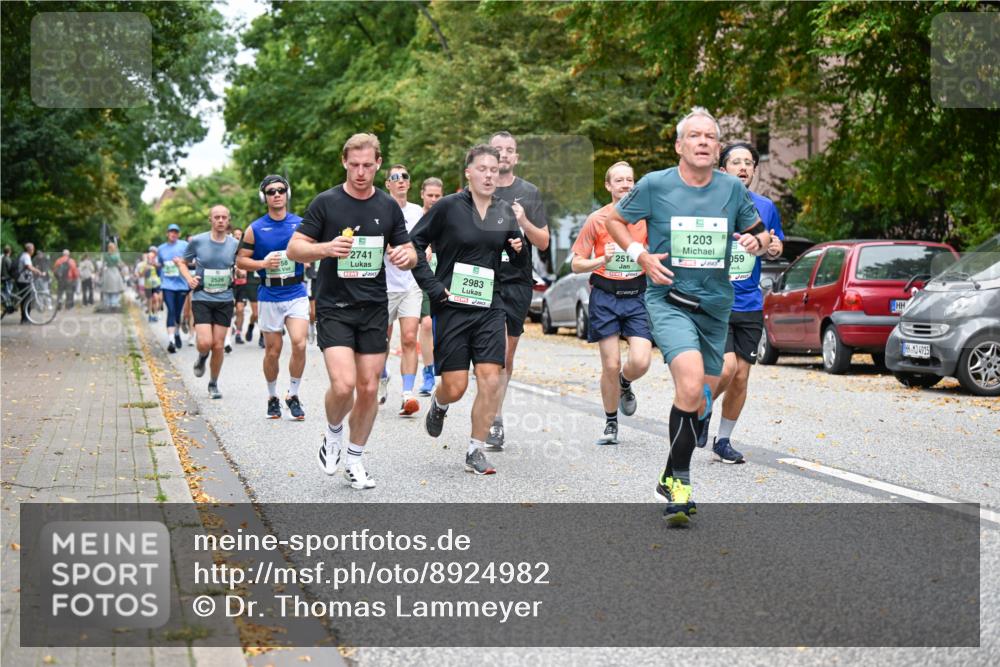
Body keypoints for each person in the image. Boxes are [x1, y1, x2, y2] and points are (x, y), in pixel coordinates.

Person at [604, 107, 771, 525]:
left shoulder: (732, 188)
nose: (702, 142)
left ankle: (667, 472)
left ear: (717, 148)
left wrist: (757, 241)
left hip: (717, 307)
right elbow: (615, 220)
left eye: (709, 138)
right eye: (693, 136)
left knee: (701, 396)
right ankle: (680, 484)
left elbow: (760, 233)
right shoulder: (654, 184)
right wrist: (639, 255)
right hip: (670, 300)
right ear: (679, 145)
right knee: (692, 383)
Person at [286, 133, 416, 489]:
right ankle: (332, 433)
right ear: (344, 162)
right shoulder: (326, 203)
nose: (360, 172)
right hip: (334, 306)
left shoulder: (388, 206)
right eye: (354, 164)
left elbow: (409, 250)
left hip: (374, 307)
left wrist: (407, 256)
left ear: (378, 164)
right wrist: (326, 248)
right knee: (343, 386)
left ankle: (356, 459)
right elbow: (294, 249)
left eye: (368, 165)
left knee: (370, 388)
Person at [411, 144, 526, 475]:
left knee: (491, 378)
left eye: (495, 170)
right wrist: (433, 288)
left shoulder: (503, 211)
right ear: (469, 173)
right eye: (483, 169)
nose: (490, 175)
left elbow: (517, 261)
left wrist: (517, 249)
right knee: (456, 385)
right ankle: (440, 401)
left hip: (491, 305)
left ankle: (475, 449)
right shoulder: (447, 208)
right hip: (452, 306)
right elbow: (415, 244)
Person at [694, 142, 786, 462]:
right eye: (736, 162)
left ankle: (723, 440)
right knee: (726, 367)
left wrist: (771, 247)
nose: (744, 167)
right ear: (723, 170)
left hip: (749, 302)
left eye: (749, 162)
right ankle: (701, 411)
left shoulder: (765, 206)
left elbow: (774, 247)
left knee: (742, 376)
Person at [570, 161, 652, 445]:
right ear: (608, 186)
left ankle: (625, 382)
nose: (626, 185)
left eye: (630, 180)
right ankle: (611, 422)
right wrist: (599, 260)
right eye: (619, 180)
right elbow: (576, 264)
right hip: (605, 296)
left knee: (641, 361)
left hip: (637, 295)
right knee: (610, 363)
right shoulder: (597, 219)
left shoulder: (645, 219)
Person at [486, 131, 550, 451]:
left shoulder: (529, 192)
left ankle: (494, 415)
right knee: (491, 354)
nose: (504, 155)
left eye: (509, 150)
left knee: (505, 356)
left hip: (517, 281)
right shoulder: (476, 191)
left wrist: (523, 222)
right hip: (484, 279)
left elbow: (543, 242)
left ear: (516, 157)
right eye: (498, 150)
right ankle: (493, 419)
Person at [236, 175, 310, 420]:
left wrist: (308, 256)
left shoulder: (301, 224)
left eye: (280, 190)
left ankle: (294, 394)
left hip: (296, 291)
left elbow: (312, 248)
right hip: (269, 294)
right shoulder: (255, 229)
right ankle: (272, 396)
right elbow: (240, 261)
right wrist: (262, 263)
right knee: (272, 351)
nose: (276, 194)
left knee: (299, 342)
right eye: (271, 191)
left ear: (287, 194)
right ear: (264, 197)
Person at [177, 205, 240, 399]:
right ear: (210, 220)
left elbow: (241, 263)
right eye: (217, 217)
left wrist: (239, 269)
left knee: (219, 345)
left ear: (228, 220)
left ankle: (213, 383)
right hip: (202, 296)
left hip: (224, 298)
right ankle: (202, 356)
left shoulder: (235, 244)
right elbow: (182, 262)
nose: (220, 220)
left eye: (224, 217)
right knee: (205, 342)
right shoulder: (197, 241)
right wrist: (189, 278)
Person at [378, 163, 426, 416]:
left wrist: (425, 251)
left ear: (409, 183)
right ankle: (382, 376)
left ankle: (408, 394)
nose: (400, 181)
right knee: (380, 340)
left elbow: (424, 239)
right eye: (394, 177)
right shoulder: (379, 207)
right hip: (384, 285)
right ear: (387, 184)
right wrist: (389, 249)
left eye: (404, 177)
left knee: (409, 338)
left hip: (410, 284)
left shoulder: (417, 211)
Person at [417, 177, 444, 396]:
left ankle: (441, 368)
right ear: (422, 195)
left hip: (442, 275)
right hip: (417, 278)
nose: (434, 199)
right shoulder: (415, 217)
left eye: (438, 196)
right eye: (430, 195)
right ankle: (428, 372)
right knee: (426, 324)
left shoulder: (448, 215)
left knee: (439, 326)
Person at [157, 224, 190, 353]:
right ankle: (171, 341)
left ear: (179, 234)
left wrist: (182, 263)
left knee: (177, 313)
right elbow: (160, 264)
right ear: (167, 233)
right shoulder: (161, 249)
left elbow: (191, 259)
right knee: (170, 310)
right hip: (167, 285)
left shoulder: (184, 245)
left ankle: (176, 333)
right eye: (171, 232)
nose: (173, 234)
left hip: (181, 284)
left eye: (176, 232)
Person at [15, 243, 44, 323]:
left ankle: (25, 318)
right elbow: (28, 266)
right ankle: (24, 319)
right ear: (30, 249)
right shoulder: (26, 256)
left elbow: (28, 267)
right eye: (33, 249)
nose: (33, 250)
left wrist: (34, 270)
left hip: (23, 280)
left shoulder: (24, 255)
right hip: (23, 280)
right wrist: (37, 271)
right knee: (26, 299)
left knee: (25, 299)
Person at [100, 242, 125, 310]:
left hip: (108, 272)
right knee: (115, 288)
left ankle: (108, 303)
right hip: (114, 271)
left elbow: (102, 264)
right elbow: (121, 264)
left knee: (108, 289)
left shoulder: (105, 255)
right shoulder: (116, 255)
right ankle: (114, 303)